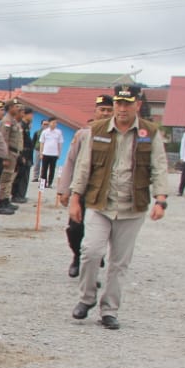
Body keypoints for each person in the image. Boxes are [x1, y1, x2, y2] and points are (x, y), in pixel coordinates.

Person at [68, 85, 169, 330]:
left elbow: (159, 166)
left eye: (127, 104)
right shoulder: (97, 129)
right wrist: (74, 197)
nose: (122, 108)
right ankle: (86, 298)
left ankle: (109, 310)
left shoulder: (149, 132)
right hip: (99, 203)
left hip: (131, 207)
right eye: (118, 103)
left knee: (119, 263)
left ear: (137, 105)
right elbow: (84, 165)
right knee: (90, 252)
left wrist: (161, 199)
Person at [56, 95, 114, 277]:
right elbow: (70, 162)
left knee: (98, 230)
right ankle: (77, 256)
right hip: (82, 190)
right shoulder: (83, 134)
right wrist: (64, 190)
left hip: (104, 192)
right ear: (95, 112)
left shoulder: (117, 136)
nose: (105, 113)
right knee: (74, 229)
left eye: (108, 110)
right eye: (102, 109)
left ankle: (92, 268)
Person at [37, 117, 64, 187]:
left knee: (52, 170)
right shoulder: (45, 132)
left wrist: (59, 153)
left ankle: (50, 183)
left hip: (54, 154)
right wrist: (41, 153)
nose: (54, 124)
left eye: (56, 123)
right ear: (49, 123)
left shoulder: (59, 132)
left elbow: (60, 144)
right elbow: (42, 143)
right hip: (45, 153)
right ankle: (43, 183)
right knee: (44, 169)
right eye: (53, 122)